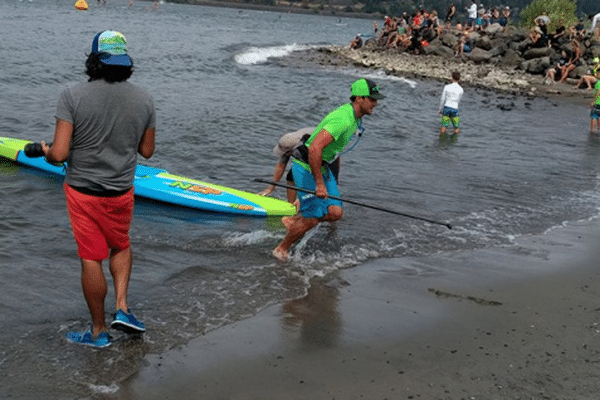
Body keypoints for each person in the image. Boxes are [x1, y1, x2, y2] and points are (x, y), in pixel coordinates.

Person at [42, 30, 156, 348]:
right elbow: (147, 151)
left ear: (93, 61)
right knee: (120, 245)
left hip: (83, 193)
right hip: (120, 191)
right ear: (124, 62)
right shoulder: (145, 98)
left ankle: (98, 332)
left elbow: (60, 154)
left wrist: (46, 150)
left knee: (91, 257)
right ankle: (122, 307)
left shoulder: (72, 95)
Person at [272, 78, 384, 261]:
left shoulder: (355, 118)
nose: (376, 103)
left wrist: (333, 180)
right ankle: (281, 248)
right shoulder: (343, 119)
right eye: (372, 99)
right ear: (359, 98)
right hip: (306, 166)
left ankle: (294, 221)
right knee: (312, 217)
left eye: (376, 99)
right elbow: (315, 147)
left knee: (335, 212)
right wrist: (319, 184)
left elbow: (335, 151)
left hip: (323, 167)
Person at [259, 127, 315, 203]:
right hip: (303, 148)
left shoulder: (306, 148)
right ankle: (291, 205)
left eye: (286, 153)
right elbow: (281, 165)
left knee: (309, 180)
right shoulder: (290, 141)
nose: (284, 155)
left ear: (292, 149)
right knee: (290, 177)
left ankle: (305, 204)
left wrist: (302, 199)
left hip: (321, 155)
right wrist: (271, 188)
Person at [439, 71, 463, 136]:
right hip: (455, 108)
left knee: (444, 127)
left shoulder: (447, 87)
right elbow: (459, 100)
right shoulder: (461, 89)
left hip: (447, 107)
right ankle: (454, 141)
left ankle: (442, 142)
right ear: (459, 79)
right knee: (456, 128)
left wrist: (440, 109)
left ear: (452, 78)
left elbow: (442, 99)